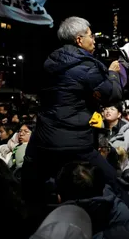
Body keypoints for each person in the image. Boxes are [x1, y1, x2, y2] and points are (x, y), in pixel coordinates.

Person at [22, 16, 123, 205]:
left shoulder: (50, 63)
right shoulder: (87, 67)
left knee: (49, 192)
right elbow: (113, 94)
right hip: (74, 142)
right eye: (91, 36)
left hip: (44, 139)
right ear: (79, 40)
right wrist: (113, 73)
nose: (94, 40)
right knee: (114, 185)